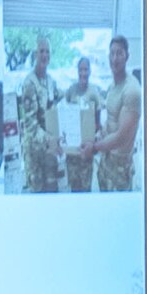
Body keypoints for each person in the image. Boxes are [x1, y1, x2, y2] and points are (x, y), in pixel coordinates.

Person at [78, 34, 142, 192]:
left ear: (127, 56)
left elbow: (121, 137)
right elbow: (110, 123)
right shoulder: (112, 87)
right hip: (106, 163)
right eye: (112, 53)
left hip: (120, 167)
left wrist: (94, 148)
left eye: (119, 53)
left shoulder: (132, 90)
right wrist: (98, 134)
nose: (115, 58)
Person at [16, 37, 62, 193]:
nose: (45, 55)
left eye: (48, 52)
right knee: (37, 197)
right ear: (35, 54)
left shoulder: (51, 81)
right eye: (41, 51)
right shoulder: (29, 83)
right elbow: (30, 125)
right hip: (34, 153)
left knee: (52, 192)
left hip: (49, 151)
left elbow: (56, 106)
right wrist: (50, 140)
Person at [61, 55, 102, 193]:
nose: (83, 73)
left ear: (90, 71)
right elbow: (65, 116)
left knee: (85, 189)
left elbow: (98, 121)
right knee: (74, 188)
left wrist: (93, 138)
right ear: (77, 71)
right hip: (72, 152)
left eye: (86, 69)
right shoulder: (71, 90)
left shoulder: (94, 92)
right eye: (80, 69)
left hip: (86, 151)